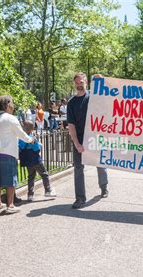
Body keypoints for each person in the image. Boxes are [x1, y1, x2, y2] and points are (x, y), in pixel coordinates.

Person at [0, 95, 34, 214]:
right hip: (6, 153)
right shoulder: (10, 118)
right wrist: (31, 140)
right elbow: (21, 134)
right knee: (10, 180)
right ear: (7, 104)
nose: (13, 106)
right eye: (12, 103)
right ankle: (10, 205)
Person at [67, 72, 108, 209]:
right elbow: (71, 125)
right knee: (78, 168)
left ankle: (104, 186)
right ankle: (80, 198)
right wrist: (76, 143)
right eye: (77, 83)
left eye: (81, 82)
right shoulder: (71, 103)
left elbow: (107, 97)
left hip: (95, 138)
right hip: (80, 140)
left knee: (99, 164)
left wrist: (101, 80)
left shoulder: (94, 98)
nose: (79, 85)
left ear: (86, 82)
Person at [19, 120, 57, 201]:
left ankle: (30, 195)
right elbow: (37, 149)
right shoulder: (32, 138)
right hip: (36, 160)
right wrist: (37, 144)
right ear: (32, 129)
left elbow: (21, 147)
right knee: (44, 174)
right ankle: (48, 191)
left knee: (31, 177)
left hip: (27, 161)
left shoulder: (21, 139)